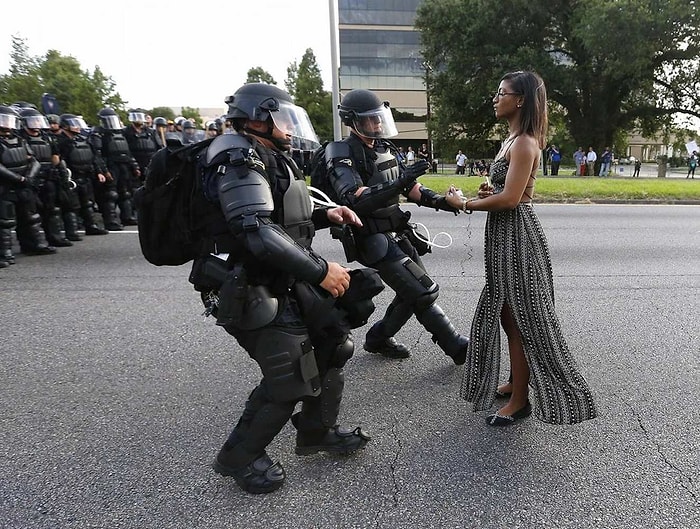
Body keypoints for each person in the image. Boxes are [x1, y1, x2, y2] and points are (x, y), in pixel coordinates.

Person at [195, 83, 371, 494]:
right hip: (247, 284)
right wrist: (320, 270)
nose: (291, 129)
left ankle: (315, 432)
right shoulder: (236, 156)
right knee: (291, 376)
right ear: (258, 117)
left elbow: (282, 213)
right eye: (283, 119)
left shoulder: (265, 155)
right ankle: (239, 457)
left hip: (280, 276)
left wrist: (329, 214)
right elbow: (256, 230)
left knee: (333, 344)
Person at [445, 71, 597, 426]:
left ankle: (520, 400)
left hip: (517, 237)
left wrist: (464, 203)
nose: (496, 98)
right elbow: (504, 191)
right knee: (506, 313)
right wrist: (487, 193)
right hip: (504, 235)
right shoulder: (511, 140)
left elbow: (513, 199)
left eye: (502, 93)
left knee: (521, 319)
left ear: (521, 100)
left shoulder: (526, 142)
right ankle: (517, 380)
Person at [323, 88, 468, 364]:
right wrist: (399, 183)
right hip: (370, 237)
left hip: (397, 231)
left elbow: (411, 187)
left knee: (411, 291)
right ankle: (457, 346)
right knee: (423, 291)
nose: (377, 124)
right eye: (370, 120)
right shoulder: (340, 151)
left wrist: (443, 202)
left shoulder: (384, 148)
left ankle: (378, 338)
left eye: (379, 118)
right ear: (352, 121)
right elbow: (353, 198)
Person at [0, 105, 57, 264]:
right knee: (5, 221)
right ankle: (5, 253)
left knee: (31, 216)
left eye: (8, 120)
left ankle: (34, 244)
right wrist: (19, 179)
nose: (6, 124)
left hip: (24, 184)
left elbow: (33, 160)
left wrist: (29, 177)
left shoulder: (20, 140)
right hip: (5, 186)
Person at [18, 107, 73, 247]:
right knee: (29, 214)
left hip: (48, 177)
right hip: (29, 179)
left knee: (51, 209)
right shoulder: (20, 138)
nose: (36, 124)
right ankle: (30, 243)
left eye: (37, 120)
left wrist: (60, 174)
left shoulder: (47, 137)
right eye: (33, 121)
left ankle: (54, 237)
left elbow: (56, 157)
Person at [55, 114, 109, 236]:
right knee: (71, 206)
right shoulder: (60, 141)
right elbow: (58, 160)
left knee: (88, 203)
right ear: (65, 125)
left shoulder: (82, 139)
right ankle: (72, 232)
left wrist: (99, 172)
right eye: (73, 124)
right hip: (71, 177)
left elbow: (94, 157)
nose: (77, 127)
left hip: (86, 175)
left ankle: (91, 226)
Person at [89, 108, 139, 229]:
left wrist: (134, 166)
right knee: (110, 194)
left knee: (126, 192)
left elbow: (127, 152)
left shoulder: (120, 133)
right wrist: (104, 170)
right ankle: (111, 221)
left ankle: (127, 217)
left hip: (124, 165)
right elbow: (97, 154)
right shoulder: (98, 133)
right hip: (110, 165)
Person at [123, 109, 159, 185]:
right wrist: (134, 165)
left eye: (140, 116)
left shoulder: (151, 132)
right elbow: (125, 150)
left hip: (150, 164)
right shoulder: (126, 132)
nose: (138, 119)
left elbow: (159, 148)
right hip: (134, 165)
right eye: (136, 117)